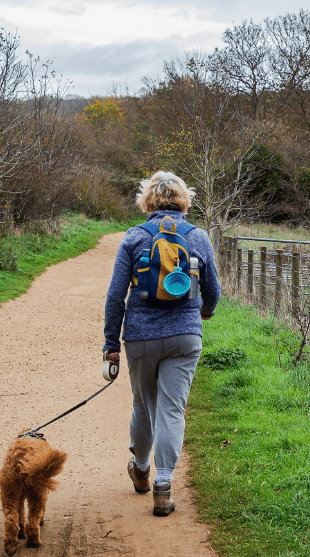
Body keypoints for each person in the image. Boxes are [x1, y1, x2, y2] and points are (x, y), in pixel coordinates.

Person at [102, 170, 220, 516]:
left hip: (140, 335)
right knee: (172, 409)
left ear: (147, 200)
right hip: (185, 335)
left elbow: (114, 297)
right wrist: (205, 313)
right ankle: (164, 485)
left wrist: (111, 342)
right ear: (184, 199)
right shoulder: (198, 237)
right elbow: (212, 290)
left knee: (143, 405)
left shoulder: (134, 237)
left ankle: (141, 470)